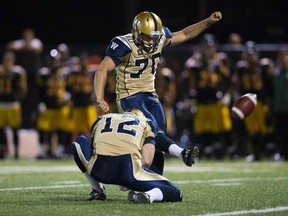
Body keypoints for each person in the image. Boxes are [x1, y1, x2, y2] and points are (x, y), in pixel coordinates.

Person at [94, 11, 222, 174]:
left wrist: (208, 22)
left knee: (157, 137)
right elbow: (102, 70)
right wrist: (99, 97)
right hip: (129, 97)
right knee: (151, 129)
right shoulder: (124, 44)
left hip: (150, 95)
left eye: (154, 38)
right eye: (147, 37)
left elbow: (183, 34)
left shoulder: (159, 37)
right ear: (136, 32)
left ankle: (155, 181)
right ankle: (181, 152)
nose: (150, 42)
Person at [72, 109, 183, 203]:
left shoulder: (102, 118)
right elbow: (147, 161)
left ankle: (97, 190)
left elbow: (93, 147)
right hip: (128, 172)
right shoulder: (146, 122)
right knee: (176, 192)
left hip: (99, 170)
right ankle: (149, 196)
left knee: (78, 142)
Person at [6, 28, 43, 128]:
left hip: (33, 76)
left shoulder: (36, 42)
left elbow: (37, 48)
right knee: (21, 99)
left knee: (33, 100)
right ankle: (22, 123)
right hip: (21, 75)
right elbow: (9, 46)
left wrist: (22, 47)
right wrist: (25, 47)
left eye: (29, 35)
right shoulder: (20, 43)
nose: (27, 37)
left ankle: (32, 124)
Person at [0, 51, 27, 159]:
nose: (8, 62)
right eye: (6, 60)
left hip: (13, 104)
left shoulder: (18, 72)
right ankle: (2, 151)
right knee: (1, 130)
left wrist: (18, 100)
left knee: (15, 129)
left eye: (9, 60)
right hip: (1, 104)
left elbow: (23, 89)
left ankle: (16, 151)